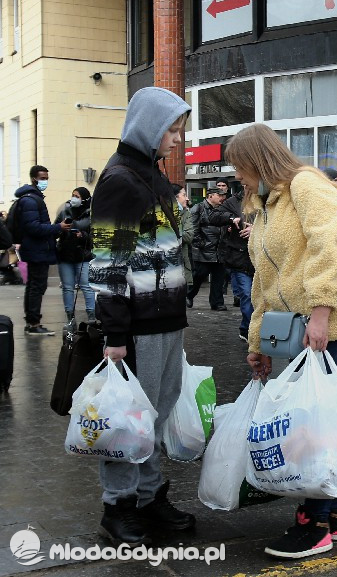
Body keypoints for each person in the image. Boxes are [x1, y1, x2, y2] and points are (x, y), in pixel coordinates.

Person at [226, 123, 337, 559]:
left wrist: (321, 313)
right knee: (323, 422)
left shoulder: (306, 185)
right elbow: (264, 281)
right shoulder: (266, 205)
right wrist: (257, 342)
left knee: (313, 427)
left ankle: (313, 525)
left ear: (257, 160)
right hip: (304, 327)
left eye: (239, 167)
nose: (237, 176)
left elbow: (328, 247)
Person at [89, 86, 194, 546]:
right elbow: (107, 264)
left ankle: (148, 497)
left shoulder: (151, 174)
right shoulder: (120, 180)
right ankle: (118, 506)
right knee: (128, 417)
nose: (177, 139)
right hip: (137, 327)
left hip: (166, 320)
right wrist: (115, 335)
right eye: (172, 130)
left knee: (155, 415)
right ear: (150, 127)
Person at [14, 165, 72, 335]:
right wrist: (58, 227)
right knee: (37, 287)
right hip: (36, 250)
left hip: (36, 250)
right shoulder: (31, 200)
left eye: (47, 178)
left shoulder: (32, 198)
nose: (45, 181)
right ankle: (34, 324)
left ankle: (32, 322)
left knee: (34, 286)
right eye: (42, 178)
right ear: (34, 178)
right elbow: (34, 227)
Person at [218, 184, 255, 343]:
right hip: (239, 257)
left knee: (258, 298)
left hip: (260, 258)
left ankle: (250, 328)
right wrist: (231, 219)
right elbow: (215, 216)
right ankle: (248, 330)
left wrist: (256, 229)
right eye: (245, 184)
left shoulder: (266, 200)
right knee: (246, 294)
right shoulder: (233, 201)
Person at [186, 182, 231, 310]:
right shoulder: (198, 208)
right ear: (210, 196)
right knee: (199, 275)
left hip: (219, 249)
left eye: (223, 195)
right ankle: (188, 295)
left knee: (218, 277)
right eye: (219, 195)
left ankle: (217, 303)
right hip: (203, 250)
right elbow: (193, 229)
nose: (222, 198)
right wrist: (201, 244)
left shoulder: (222, 209)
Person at [55, 187, 96, 324]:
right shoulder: (64, 211)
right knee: (67, 287)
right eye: (73, 195)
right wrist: (60, 229)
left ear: (84, 199)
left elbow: (96, 237)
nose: (74, 198)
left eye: (77, 196)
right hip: (65, 254)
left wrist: (82, 235)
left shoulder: (92, 215)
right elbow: (54, 230)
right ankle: (70, 317)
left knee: (86, 286)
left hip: (83, 256)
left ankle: (91, 316)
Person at [171, 184, 194, 291]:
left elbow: (189, 236)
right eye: (184, 195)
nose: (187, 198)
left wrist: (170, 233)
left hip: (181, 263)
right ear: (175, 197)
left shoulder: (186, 213)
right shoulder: (159, 213)